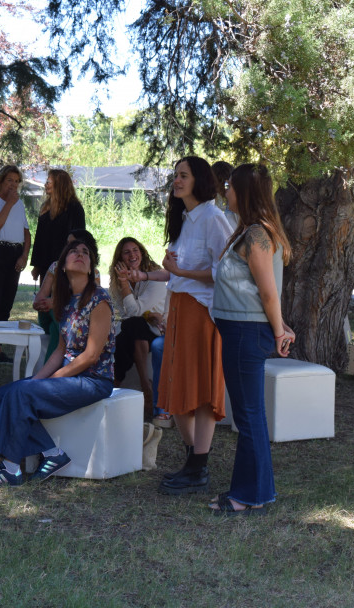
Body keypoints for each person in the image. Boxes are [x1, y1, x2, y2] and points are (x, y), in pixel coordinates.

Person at [129, 156, 233, 495]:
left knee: (200, 391)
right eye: (175, 175)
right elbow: (175, 271)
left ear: (199, 180)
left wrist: (182, 273)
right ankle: (193, 461)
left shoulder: (213, 219)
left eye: (183, 175)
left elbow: (224, 273)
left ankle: (199, 466)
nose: (176, 180)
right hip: (180, 311)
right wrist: (144, 274)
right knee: (177, 388)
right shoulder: (186, 219)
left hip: (202, 314)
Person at [0, 237, 116, 486]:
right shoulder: (65, 302)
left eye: (85, 252)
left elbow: (91, 355)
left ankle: (10, 469)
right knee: (4, 394)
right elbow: (60, 350)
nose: (80, 254)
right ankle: (52, 454)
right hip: (71, 374)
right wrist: (39, 379)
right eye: (73, 251)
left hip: (93, 379)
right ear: (62, 266)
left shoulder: (99, 299)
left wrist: (52, 380)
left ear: (92, 268)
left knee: (22, 394)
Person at [209, 163, 294, 516]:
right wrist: (280, 326)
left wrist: (278, 330)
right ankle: (257, 490)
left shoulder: (257, 234)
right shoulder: (249, 232)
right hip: (238, 330)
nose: (225, 191)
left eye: (229, 186)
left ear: (244, 192)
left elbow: (268, 293)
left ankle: (248, 496)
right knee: (248, 415)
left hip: (246, 332)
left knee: (248, 416)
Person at [109, 237, 167, 420]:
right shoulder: (116, 283)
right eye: (126, 252)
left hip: (159, 329)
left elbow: (134, 311)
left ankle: (115, 388)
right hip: (138, 328)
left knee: (132, 326)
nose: (132, 255)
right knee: (128, 331)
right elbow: (125, 313)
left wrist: (126, 284)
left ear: (142, 253)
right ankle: (145, 389)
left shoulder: (154, 276)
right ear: (120, 259)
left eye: (135, 250)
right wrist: (147, 315)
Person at [0, 165, 31, 362]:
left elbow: (26, 232)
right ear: (1, 181)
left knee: (7, 302)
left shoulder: (19, 204)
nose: (14, 185)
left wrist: (24, 255)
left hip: (15, 252)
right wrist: (8, 204)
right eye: (10, 180)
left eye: (17, 181)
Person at [32, 229, 100, 364]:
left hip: (70, 317)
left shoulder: (93, 273)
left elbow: (92, 303)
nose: (69, 247)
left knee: (56, 328)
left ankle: (50, 374)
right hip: (49, 313)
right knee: (59, 319)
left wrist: (58, 303)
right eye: (69, 245)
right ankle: (62, 370)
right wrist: (40, 303)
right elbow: (40, 298)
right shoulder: (56, 267)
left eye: (74, 245)